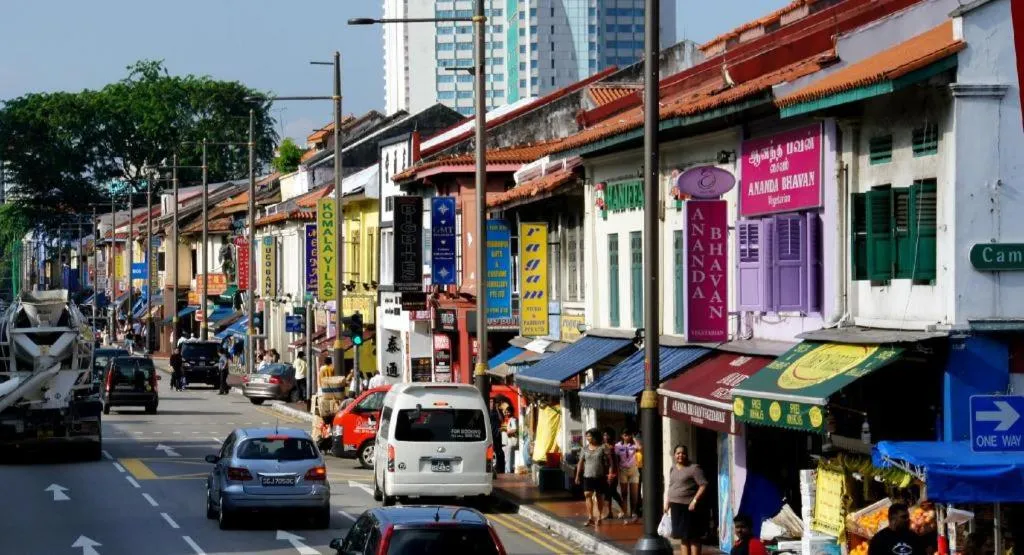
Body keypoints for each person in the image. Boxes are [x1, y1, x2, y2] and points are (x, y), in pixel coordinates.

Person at [666, 445, 709, 555]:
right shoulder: (673, 468)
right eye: (678, 453)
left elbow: (703, 485)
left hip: (689, 507)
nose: (680, 455)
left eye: (683, 453)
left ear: (687, 454)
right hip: (676, 506)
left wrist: (694, 501)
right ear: (674, 455)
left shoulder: (694, 468)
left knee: (693, 536)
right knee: (682, 537)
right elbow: (671, 486)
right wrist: (667, 502)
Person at [575, 428, 610, 527]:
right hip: (587, 475)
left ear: (595, 437)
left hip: (600, 476)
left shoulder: (602, 448)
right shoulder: (584, 449)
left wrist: (610, 473)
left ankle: (598, 516)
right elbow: (580, 463)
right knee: (587, 494)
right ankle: (590, 517)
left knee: (599, 497)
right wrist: (577, 475)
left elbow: (610, 461)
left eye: (589, 436)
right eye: (587, 436)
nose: (587, 438)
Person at [615, 428, 643, 523]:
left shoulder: (634, 445)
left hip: (633, 470)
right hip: (623, 470)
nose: (627, 437)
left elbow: (640, 448)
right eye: (625, 435)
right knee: (624, 493)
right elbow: (615, 457)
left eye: (629, 435)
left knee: (634, 493)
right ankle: (625, 512)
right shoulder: (618, 446)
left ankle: (634, 513)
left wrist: (634, 439)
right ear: (622, 436)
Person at [602, 427, 625, 519]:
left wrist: (611, 474)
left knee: (611, 493)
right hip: (606, 473)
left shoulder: (612, 447)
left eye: (607, 435)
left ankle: (623, 510)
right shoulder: (604, 446)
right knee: (610, 493)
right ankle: (610, 512)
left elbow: (612, 462)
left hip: (612, 473)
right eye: (604, 435)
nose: (605, 437)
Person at [488, 398, 506, 475]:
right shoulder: (487, 411)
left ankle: (499, 467)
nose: (492, 403)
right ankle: (491, 467)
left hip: (497, 434)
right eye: (491, 402)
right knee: (491, 451)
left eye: (494, 402)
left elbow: (501, 420)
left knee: (498, 451)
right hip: (490, 433)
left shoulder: (499, 411)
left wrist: (497, 410)